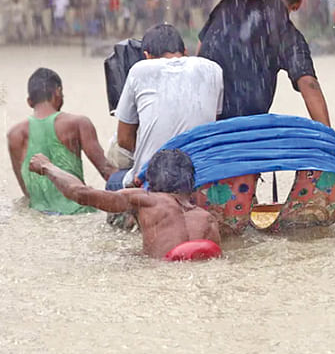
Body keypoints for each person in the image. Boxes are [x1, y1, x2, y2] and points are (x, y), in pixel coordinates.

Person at [197, 0, 331, 125]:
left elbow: (200, 52)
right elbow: (309, 85)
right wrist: (328, 137)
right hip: (249, 124)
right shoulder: (289, 36)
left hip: (204, 116)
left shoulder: (228, 5)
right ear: (298, 4)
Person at [29, 149, 221, 260]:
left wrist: (47, 166)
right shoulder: (209, 218)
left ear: (151, 182)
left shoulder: (145, 199)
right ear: (191, 184)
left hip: (159, 279)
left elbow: (81, 194)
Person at [108, 23, 223, 191]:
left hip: (155, 178)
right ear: (185, 51)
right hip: (202, 172)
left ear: (147, 56)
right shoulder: (213, 69)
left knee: (114, 181)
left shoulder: (140, 70)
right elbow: (212, 120)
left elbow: (124, 139)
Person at [6, 68, 116, 214]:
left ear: (29, 101)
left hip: (40, 214)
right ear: (58, 91)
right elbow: (107, 171)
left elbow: (27, 191)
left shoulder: (14, 135)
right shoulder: (78, 123)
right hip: (79, 213)